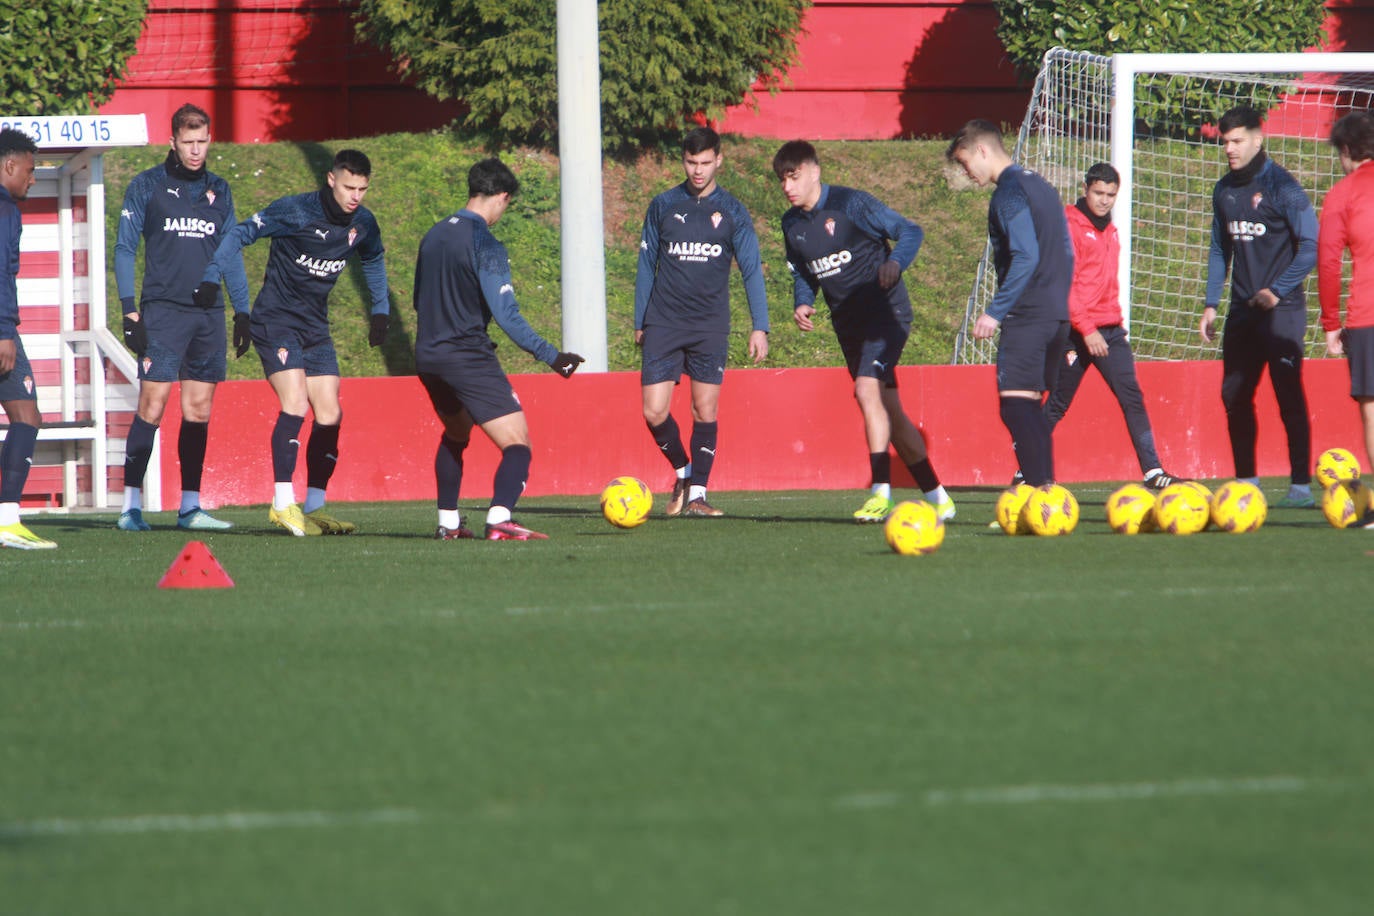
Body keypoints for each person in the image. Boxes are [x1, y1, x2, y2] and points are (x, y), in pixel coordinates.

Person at [203, 148, 390, 536]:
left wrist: (381, 310)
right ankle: (282, 502)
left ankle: (316, 506)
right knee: (295, 402)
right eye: (349, 186)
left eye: (363, 188)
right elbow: (240, 232)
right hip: (275, 321)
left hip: (315, 327)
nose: (355, 195)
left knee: (330, 413)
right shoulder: (296, 211)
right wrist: (210, 276)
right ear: (331, 179)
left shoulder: (363, 223)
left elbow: (372, 259)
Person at [773, 140, 955, 523]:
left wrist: (895, 263)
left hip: (886, 314)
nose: (788, 186)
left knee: (865, 389)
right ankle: (938, 498)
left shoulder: (852, 204)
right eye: (782, 180)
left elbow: (910, 230)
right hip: (848, 325)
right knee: (891, 413)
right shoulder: (791, 224)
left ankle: (880, 492)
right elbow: (804, 271)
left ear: (814, 171)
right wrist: (802, 301)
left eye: (794, 176)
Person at [412, 158, 583, 541]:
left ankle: (449, 524)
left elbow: (418, 299)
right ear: (502, 197)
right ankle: (500, 517)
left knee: (456, 432)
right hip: (466, 355)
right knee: (518, 443)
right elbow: (507, 316)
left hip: (428, 355)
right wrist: (553, 357)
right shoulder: (484, 242)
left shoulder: (434, 235)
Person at [114, 103, 248, 532]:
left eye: (202, 141)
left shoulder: (220, 190)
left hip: (208, 316)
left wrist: (242, 310)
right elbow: (124, 248)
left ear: (210, 140)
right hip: (163, 313)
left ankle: (190, 507)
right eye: (187, 142)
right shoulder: (148, 185)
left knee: (199, 410)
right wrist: (128, 309)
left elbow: (230, 252)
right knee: (152, 406)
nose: (195, 150)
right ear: (172, 141)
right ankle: (129, 506)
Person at [635, 127, 769, 518]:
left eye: (705, 162)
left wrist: (759, 325)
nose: (698, 170)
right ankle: (684, 472)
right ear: (683, 161)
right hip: (663, 320)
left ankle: (697, 495)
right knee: (654, 411)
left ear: (719, 161)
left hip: (710, 324)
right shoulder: (663, 205)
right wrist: (641, 318)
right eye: (691, 162)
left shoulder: (732, 211)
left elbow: (750, 270)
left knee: (704, 411)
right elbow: (646, 264)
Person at [945, 119, 1072, 488]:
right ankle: (1044, 488)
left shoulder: (1010, 192)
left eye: (966, 162)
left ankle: (1039, 491)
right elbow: (1065, 251)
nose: (967, 172)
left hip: (1028, 314)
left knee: (1016, 406)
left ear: (982, 150)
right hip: (1054, 315)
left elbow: (1026, 255)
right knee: (1029, 405)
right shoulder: (1040, 185)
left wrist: (995, 311)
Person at [1201, 106, 1317, 508]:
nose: (1229, 149)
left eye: (1236, 141)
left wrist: (1278, 290)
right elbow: (1220, 248)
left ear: (1257, 139)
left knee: (1287, 394)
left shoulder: (1284, 187)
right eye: (1225, 142)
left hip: (1281, 310)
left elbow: (1311, 248)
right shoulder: (1224, 191)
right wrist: (1211, 303)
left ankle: (1301, 486)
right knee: (1234, 394)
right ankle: (1247, 483)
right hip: (1241, 312)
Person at [1044, 162, 1179, 490]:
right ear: (1085, 189)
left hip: (1110, 330)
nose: (1104, 200)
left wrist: (1105, 325)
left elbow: (1103, 284)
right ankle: (1025, 470)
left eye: (1110, 195)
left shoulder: (1110, 229)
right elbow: (1066, 284)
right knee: (1057, 404)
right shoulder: (1068, 226)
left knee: (1131, 396)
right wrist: (1087, 329)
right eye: (1098, 193)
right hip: (1077, 332)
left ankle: (1152, 471)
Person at [1316, 111, 1374, 525]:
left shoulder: (1343, 194)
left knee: (1373, 410)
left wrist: (1330, 324)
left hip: (1367, 316)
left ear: (1348, 150)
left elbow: (1329, 263)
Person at [0, 128, 56, 549]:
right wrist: (4, 332)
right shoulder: (5, 211)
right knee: (27, 417)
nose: (33, 179)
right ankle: (7, 519)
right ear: (9, 166)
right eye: (31, 170)